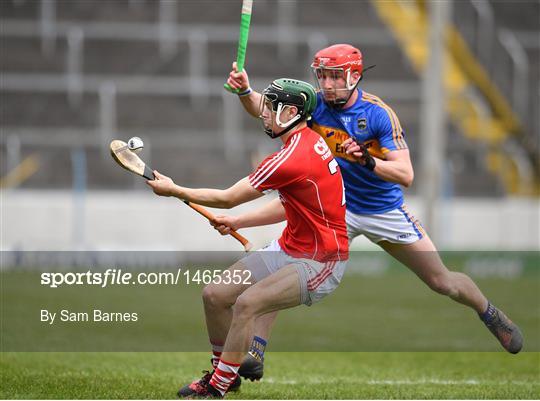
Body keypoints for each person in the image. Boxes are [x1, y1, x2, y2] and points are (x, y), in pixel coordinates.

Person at [220, 43, 524, 382]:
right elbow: (266, 107)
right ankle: (256, 351)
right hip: (335, 206)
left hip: (383, 209)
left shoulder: (378, 114)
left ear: (353, 75)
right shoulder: (315, 104)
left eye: (335, 76)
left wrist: (367, 160)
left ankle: (489, 312)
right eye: (322, 76)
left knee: (442, 281)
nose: (327, 84)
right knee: (288, 261)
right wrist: (245, 89)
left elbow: (406, 175)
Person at [147, 78, 349, 398]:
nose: (264, 114)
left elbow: (227, 198)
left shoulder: (292, 157)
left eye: (272, 108)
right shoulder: (305, 141)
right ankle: (226, 371)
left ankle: (216, 388)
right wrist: (238, 221)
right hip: (289, 248)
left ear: (292, 113)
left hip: (321, 260)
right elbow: (288, 205)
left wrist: (174, 190)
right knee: (215, 295)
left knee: (247, 303)